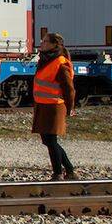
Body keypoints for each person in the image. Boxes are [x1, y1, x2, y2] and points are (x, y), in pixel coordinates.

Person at [32, 32, 78, 181]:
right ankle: (69, 171)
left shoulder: (60, 62)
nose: (42, 43)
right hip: (43, 105)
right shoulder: (45, 60)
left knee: (51, 141)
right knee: (48, 141)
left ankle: (58, 173)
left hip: (54, 106)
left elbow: (69, 89)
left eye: (45, 41)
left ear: (54, 45)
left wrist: (70, 108)